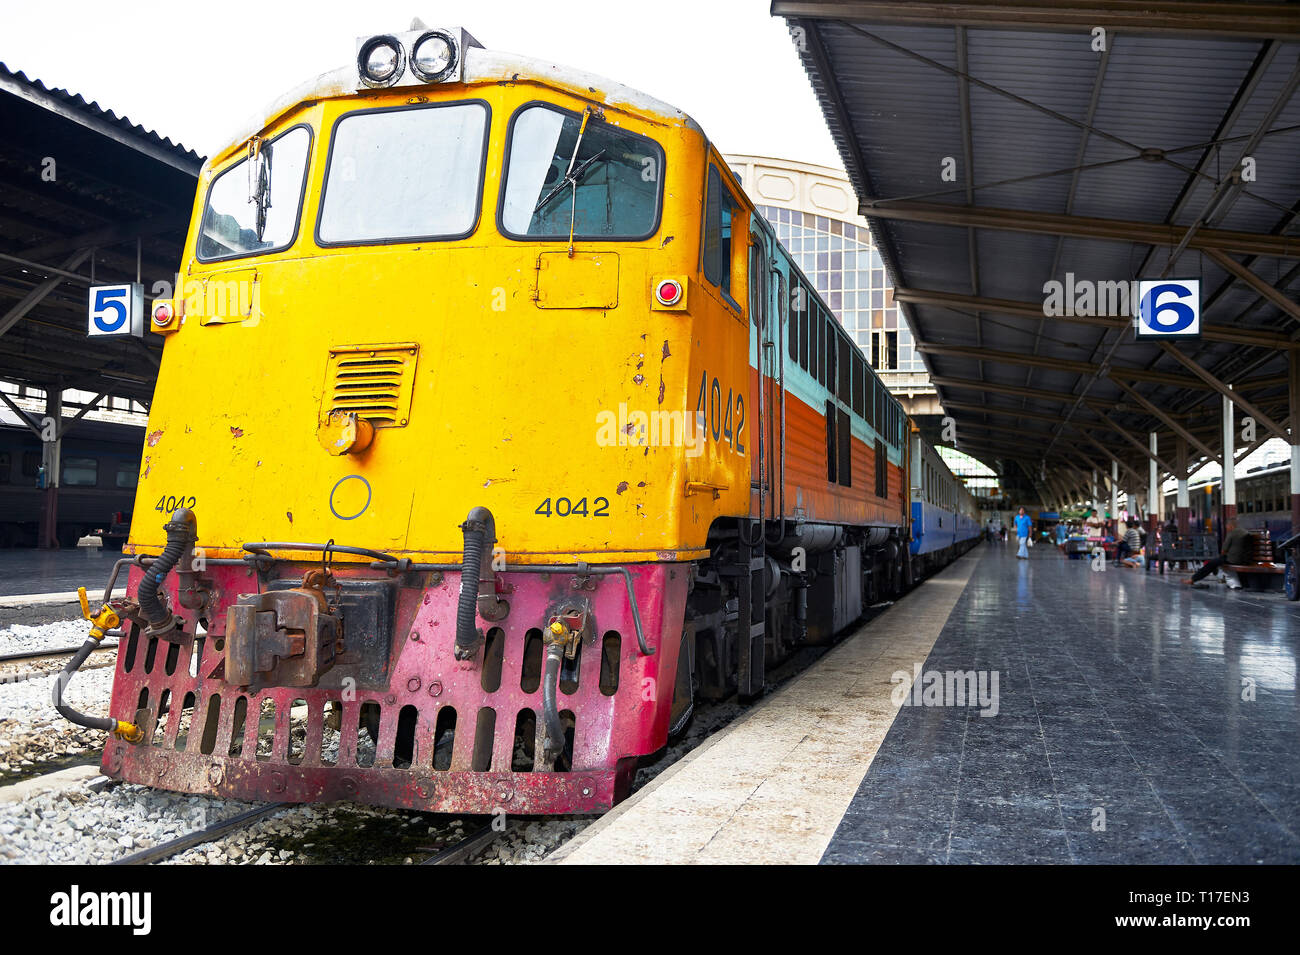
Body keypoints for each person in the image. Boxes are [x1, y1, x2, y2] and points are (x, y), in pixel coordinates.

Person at [1182, 520, 1251, 588]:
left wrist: (1221, 556)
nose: (1226, 528)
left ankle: (1192, 579)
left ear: (1231, 526)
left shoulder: (1232, 533)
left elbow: (1223, 550)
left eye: (1227, 526)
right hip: (1245, 559)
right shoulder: (1244, 532)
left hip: (1233, 560)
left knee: (1211, 563)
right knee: (1215, 562)